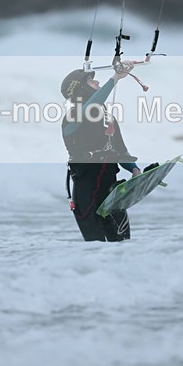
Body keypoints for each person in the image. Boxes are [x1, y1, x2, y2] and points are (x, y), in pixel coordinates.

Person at [60, 61, 141, 242]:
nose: (97, 83)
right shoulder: (72, 117)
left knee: (123, 247)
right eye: (91, 81)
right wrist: (114, 79)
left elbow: (119, 149)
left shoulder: (108, 117)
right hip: (86, 195)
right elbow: (90, 108)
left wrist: (134, 169)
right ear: (81, 90)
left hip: (111, 194)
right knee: (96, 248)